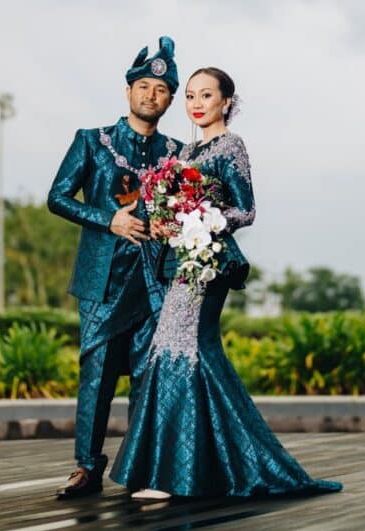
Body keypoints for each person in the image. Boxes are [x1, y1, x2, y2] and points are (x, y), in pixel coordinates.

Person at [110, 67, 343, 499]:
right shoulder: (187, 151)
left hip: (208, 262)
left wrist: (202, 218)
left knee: (181, 347)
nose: (196, 104)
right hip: (182, 261)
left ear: (226, 102)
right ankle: (199, 469)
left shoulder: (231, 145)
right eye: (190, 96)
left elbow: (246, 210)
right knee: (185, 351)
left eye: (206, 95)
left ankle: (171, 476)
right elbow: (173, 208)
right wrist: (166, 220)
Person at [47, 36, 183, 499]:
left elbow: (185, 210)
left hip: (155, 281)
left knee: (147, 375)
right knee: (98, 374)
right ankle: (87, 467)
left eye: (161, 90)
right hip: (103, 279)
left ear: (170, 99)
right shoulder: (92, 142)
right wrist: (109, 219)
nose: (150, 95)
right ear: (128, 91)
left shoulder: (178, 153)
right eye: (143, 86)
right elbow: (57, 198)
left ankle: (139, 468)